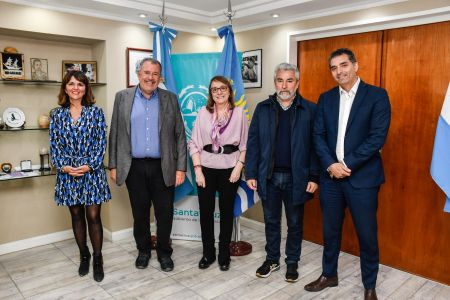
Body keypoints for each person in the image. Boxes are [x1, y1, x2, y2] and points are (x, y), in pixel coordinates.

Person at [305, 48, 391, 300]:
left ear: (356, 65)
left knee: (367, 234)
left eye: (343, 65)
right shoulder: (326, 98)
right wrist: (331, 164)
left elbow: (377, 137)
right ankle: (328, 275)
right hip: (331, 179)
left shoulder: (376, 95)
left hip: (362, 179)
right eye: (334, 68)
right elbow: (317, 135)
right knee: (330, 231)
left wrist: (346, 163)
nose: (339, 71)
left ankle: (369, 286)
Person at [108, 57, 187, 272]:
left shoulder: (170, 98)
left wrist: (181, 167)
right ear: (138, 74)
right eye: (146, 73)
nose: (150, 77)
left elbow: (180, 135)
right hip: (134, 167)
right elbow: (115, 132)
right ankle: (143, 251)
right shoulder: (122, 97)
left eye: (154, 74)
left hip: (164, 167)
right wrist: (113, 165)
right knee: (140, 213)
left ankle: (164, 253)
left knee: (164, 214)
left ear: (159, 77)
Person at [245, 63, 319, 282]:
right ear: (274, 82)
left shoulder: (310, 109)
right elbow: (254, 143)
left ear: (297, 83)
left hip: (298, 178)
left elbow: (316, 146)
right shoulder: (263, 108)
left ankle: (292, 262)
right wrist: (250, 174)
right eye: (280, 80)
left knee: (295, 223)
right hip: (268, 177)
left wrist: (314, 176)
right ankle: (272, 259)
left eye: (289, 80)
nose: (284, 85)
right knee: (271, 221)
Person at [49, 70, 111, 282]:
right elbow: (54, 145)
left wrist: (89, 165)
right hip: (67, 174)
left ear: (86, 88)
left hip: (91, 173)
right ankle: (84, 255)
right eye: (72, 84)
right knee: (76, 215)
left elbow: (101, 143)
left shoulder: (96, 113)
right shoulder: (56, 115)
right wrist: (64, 167)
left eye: (80, 84)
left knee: (93, 216)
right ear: (65, 88)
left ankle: (97, 258)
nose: (76, 88)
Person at [188, 75, 248, 271]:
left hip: (230, 170)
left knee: (226, 213)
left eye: (223, 88)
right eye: (215, 89)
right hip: (205, 169)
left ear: (229, 91)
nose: (219, 92)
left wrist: (238, 167)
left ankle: (223, 253)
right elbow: (194, 144)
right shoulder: (202, 113)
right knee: (205, 213)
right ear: (210, 93)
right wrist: (198, 170)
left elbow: (246, 145)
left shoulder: (238, 114)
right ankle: (208, 253)